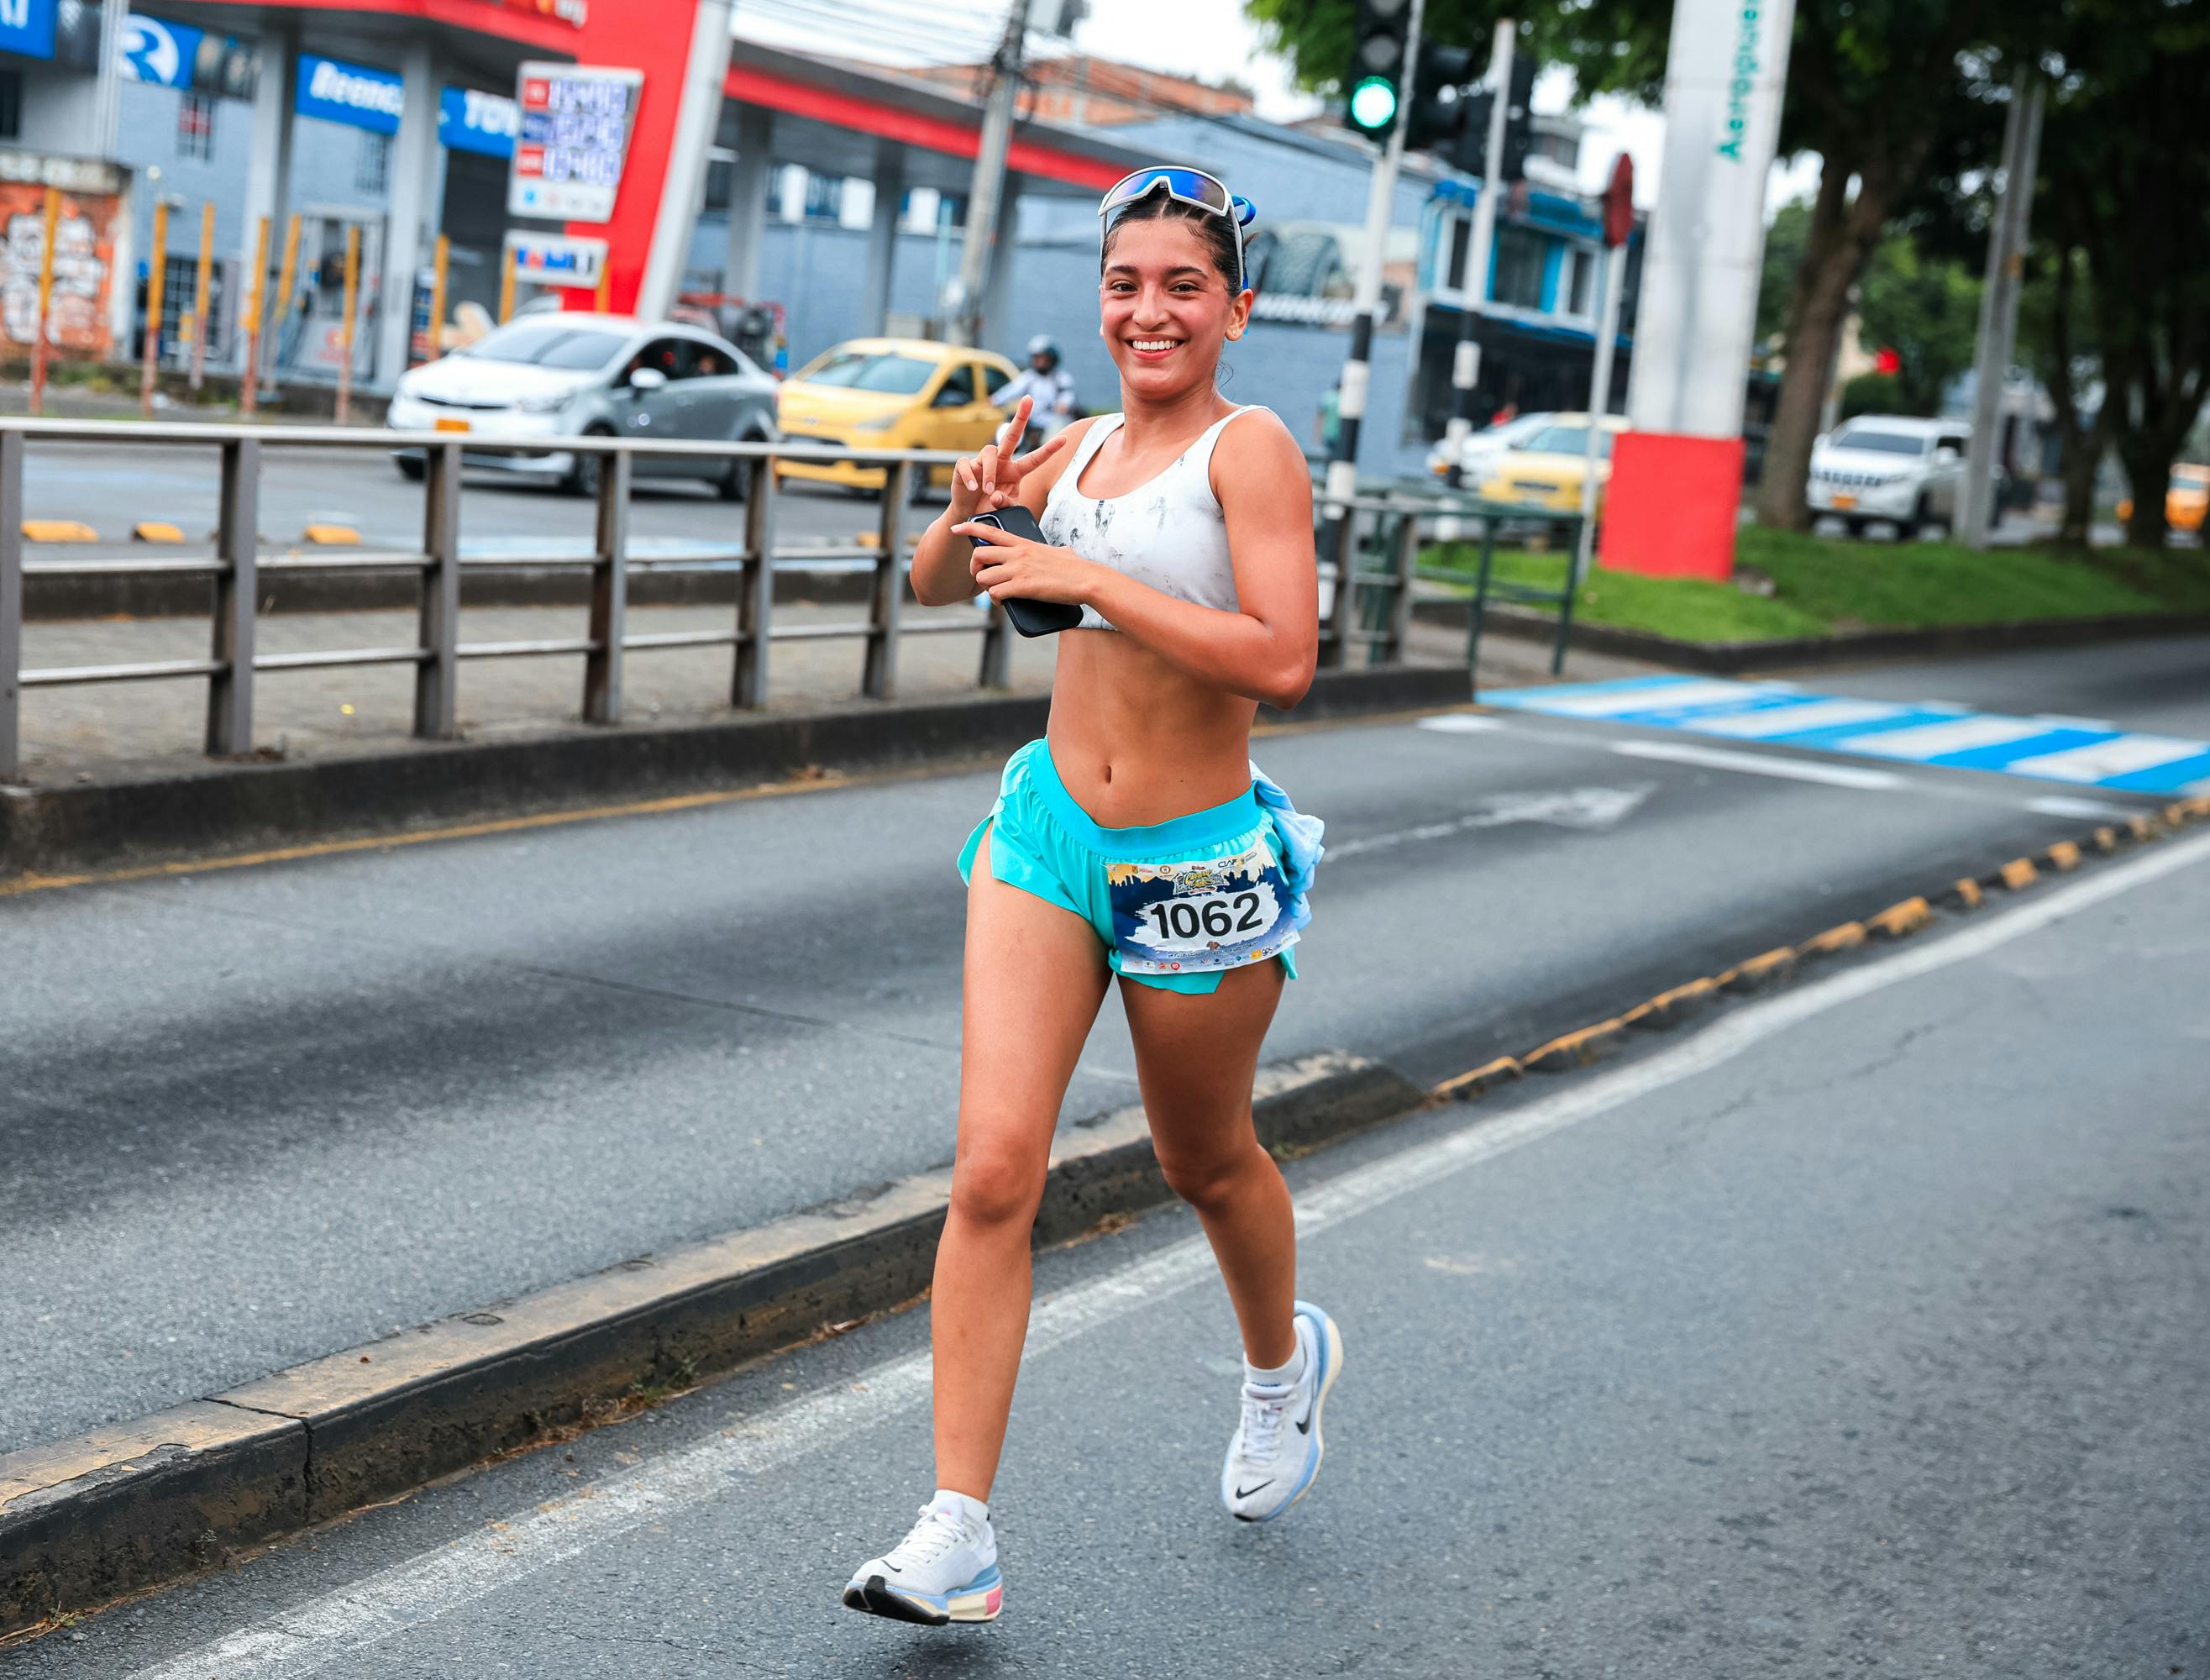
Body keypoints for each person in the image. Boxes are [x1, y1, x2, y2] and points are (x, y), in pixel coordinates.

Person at [841, 167, 1338, 1628]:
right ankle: (958, 1533)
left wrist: (1093, 580)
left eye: (1183, 285)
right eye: (1127, 284)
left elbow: (1284, 659)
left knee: (1207, 1162)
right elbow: (945, 584)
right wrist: (968, 510)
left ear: (1234, 309)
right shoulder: (1073, 449)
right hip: (1048, 832)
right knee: (995, 1168)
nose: (1149, 310)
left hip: (1196, 864)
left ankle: (1277, 1372)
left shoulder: (1251, 454)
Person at [991, 333, 1078, 451]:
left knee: (1051, 447)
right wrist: (994, 400)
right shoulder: (1029, 378)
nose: (1039, 361)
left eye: (1042, 358)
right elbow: (1011, 390)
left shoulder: (1061, 379)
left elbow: (1066, 396)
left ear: (1052, 359)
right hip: (1029, 424)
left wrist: (1063, 405)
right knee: (1001, 438)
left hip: (1049, 425)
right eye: (1036, 358)